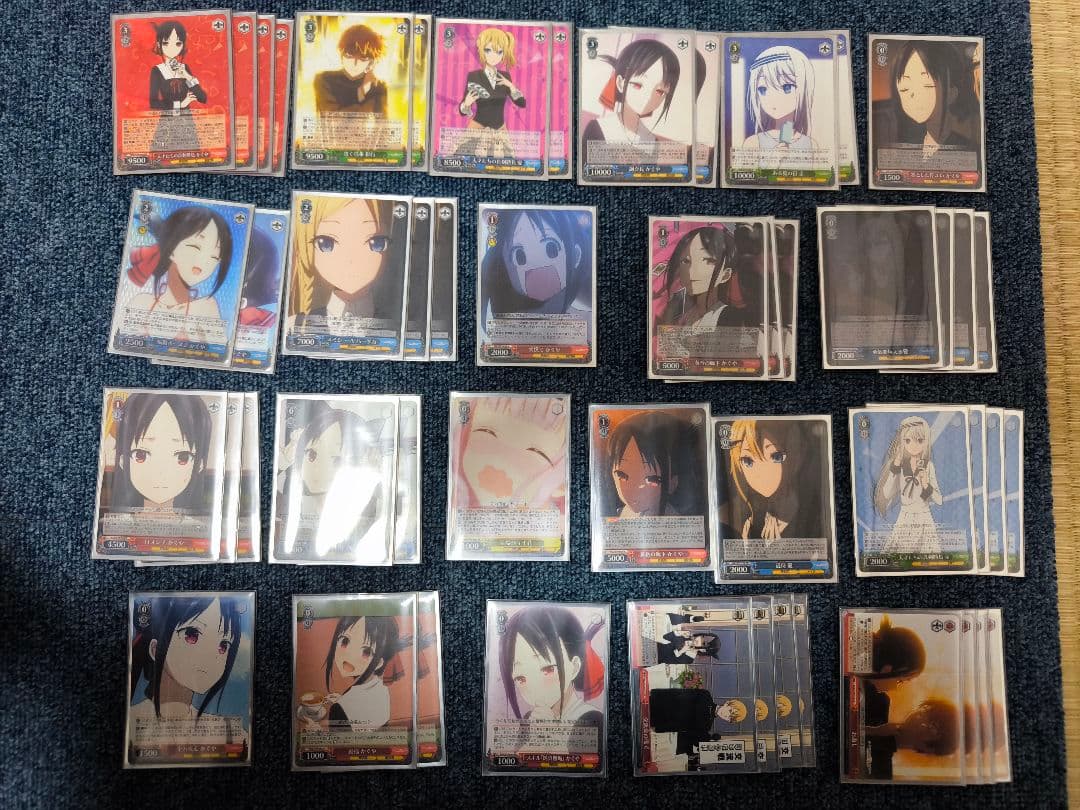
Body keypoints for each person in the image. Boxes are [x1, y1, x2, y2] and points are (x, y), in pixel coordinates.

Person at [582, 38, 681, 147]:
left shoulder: (652, 142)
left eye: (660, 91)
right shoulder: (599, 128)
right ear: (620, 83)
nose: (648, 97)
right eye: (637, 85)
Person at [874, 416, 944, 556]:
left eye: (919, 440)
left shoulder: (928, 466)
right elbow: (887, 493)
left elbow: (939, 500)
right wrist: (895, 467)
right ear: (902, 442)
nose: (913, 445)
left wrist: (926, 484)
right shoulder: (900, 466)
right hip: (905, 519)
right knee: (900, 559)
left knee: (927, 560)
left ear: (926, 441)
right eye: (908, 440)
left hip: (924, 519)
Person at [456, 28, 526, 158]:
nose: (494, 56)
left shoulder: (505, 77)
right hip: (478, 127)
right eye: (488, 50)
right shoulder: (474, 76)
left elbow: (522, 103)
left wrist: (511, 86)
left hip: (500, 129)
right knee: (465, 159)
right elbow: (462, 111)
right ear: (481, 50)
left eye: (499, 52)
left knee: (506, 161)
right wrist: (466, 104)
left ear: (504, 53)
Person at [323, 615, 401, 728]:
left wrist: (314, 728)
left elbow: (340, 740)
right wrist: (343, 699)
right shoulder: (382, 689)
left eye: (366, 651)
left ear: (379, 663)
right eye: (345, 640)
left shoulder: (339, 710)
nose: (349, 655)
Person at [314, 24, 388, 114]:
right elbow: (331, 116)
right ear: (342, 55)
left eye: (363, 59)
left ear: (371, 62)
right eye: (349, 56)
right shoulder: (325, 79)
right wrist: (363, 91)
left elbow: (383, 120)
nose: (355, 63)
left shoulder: (378, 87)